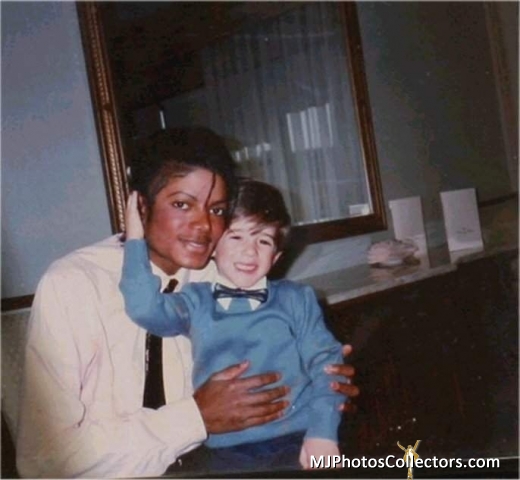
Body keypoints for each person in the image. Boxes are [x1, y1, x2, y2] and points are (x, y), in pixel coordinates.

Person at [16, 127, 359, 478]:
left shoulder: (221, 275)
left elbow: (293, 349)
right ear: (141, 206)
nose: (204, 225)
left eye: (217, 210)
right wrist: (196, 417)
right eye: (182, 204)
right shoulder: (75, 285)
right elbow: (41, 462)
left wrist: (322, 385)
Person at [120, 178, 343, 472]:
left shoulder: (296, 299)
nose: (250, 252)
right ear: (213, 247)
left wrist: (323, 432)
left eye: (263, 241)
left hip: (299, 438)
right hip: (226, 451)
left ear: (276, 256)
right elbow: (144, 308)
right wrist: (135, 239)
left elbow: (327, 363)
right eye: (236, 237)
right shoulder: (195, 301)